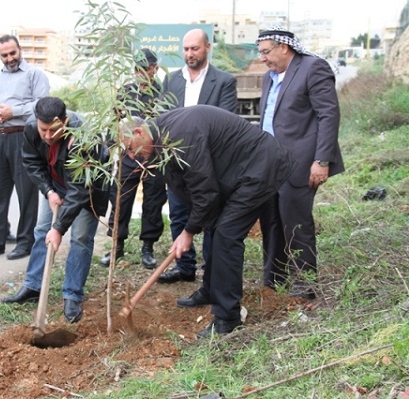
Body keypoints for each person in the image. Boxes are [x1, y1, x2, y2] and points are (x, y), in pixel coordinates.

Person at [122, 105, 294, 335]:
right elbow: (189, 186)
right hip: (236, 172)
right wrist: (195, 223)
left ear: (138, 132)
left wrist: (189, 231)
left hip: (260, 167)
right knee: (215, 227)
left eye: (131, 149)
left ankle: (227, 317)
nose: (133, 157)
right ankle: (211, 290)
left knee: (227, 235)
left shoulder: (181, 134)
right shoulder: (161, 138)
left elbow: (205, 190)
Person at [2, 97, 109, 323]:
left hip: (87, 190)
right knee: (42, 231)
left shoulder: (83, 137)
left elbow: (80, 189)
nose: (48, 136)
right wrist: (49, 191)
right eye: (44, 130)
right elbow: (31, 162)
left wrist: (59, 228)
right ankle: (33, 285)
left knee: (80, 237)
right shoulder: (32, 128)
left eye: (53, 130)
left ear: (65, 120)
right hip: (55, 185)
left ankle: (72, 295)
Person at [256, 27, 344, 298]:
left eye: (266, 52)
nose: (263, 58)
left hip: (301, 162)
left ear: (284, 47)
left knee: (296, 223)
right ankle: (274, 278)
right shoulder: (269, 78)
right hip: (270, 163)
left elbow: (328, 115)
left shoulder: (312, 68)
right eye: (260, 53)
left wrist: (322, 160)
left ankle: (304, 284)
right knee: (270, 220)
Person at [159, 28, 238, 288]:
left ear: (207, 48)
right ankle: (185, 268)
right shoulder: (171, 80)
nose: (189, 54)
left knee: (211, 218)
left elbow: (225, 123)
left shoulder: (223, 81)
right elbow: (161, 119)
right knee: (179, 215)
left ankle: (210, 272)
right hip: (177, 163)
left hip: (209, 164)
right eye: (185, 49)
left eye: (194, 48)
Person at [0, 34, 50, 261]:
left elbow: (42, 104)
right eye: (4, 55)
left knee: (26, 193)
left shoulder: (34, 74)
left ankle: (25, 242)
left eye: (12, 53)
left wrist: (13, 111)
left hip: (24, 137)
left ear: (19, 50)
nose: (9, 58)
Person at [100, 48, 167, 269]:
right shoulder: (126, 92)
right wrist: (110, 150)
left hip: (153, 155)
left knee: (153, 200)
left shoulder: (164, 93)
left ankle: (147, 247)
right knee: (120, 197)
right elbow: (114, 121)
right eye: (136, 68)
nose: (140, 73)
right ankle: (117, 246)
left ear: (154, 69)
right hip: (128, 155)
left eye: (145, 68)